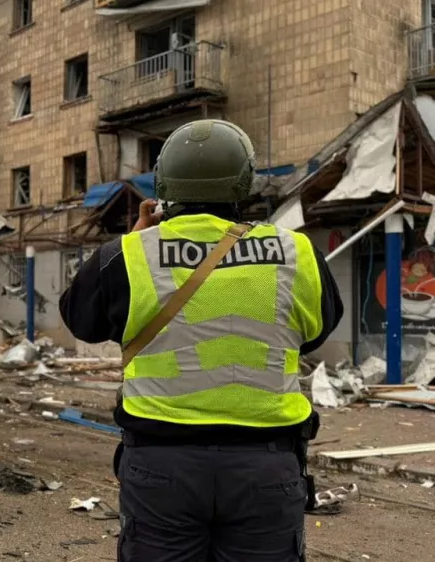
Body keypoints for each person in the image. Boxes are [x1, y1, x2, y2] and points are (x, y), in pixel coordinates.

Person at [60, 119, 343, 562]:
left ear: (165, 185)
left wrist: (138, 239)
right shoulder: (297, 253)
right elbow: (315, 332)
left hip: (161, 469)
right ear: (244, 183)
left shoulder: (125, 256)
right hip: (266, 467)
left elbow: (81, 320)